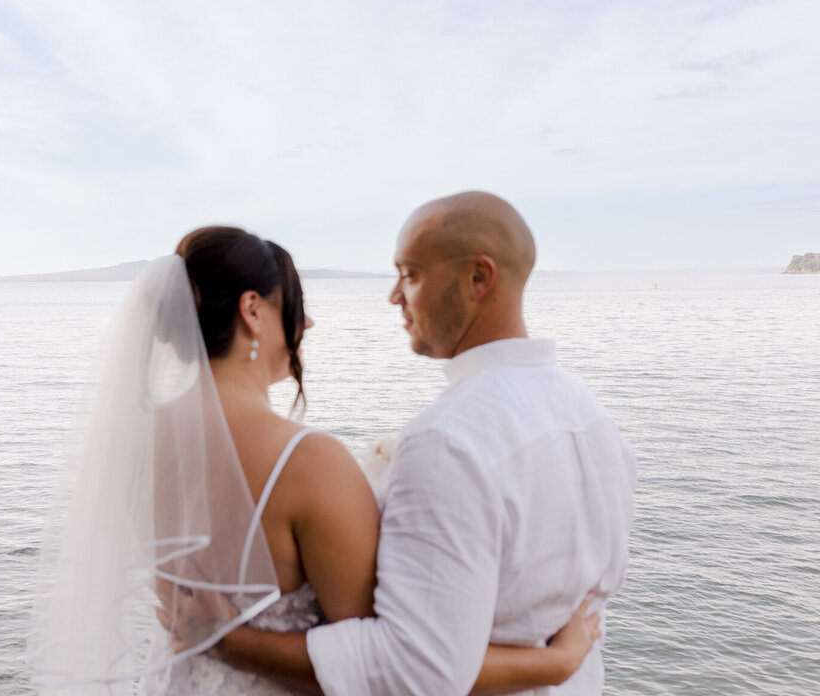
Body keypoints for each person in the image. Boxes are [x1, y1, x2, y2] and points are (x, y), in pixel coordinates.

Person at [31, 226, 601, 694]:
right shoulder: (307, 462)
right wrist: (555, 663)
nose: (307, 325)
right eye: (296, 307)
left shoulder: (136, 442)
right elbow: (386, 665)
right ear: (253, 311)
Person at [195, 193, 637, 695]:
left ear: (479, 278)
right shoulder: (598, 424)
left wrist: (228, 643)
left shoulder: (449, 442)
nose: (393, 296)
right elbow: (593, 598)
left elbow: (413, 669)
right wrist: (560, 663)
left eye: (409, 274)